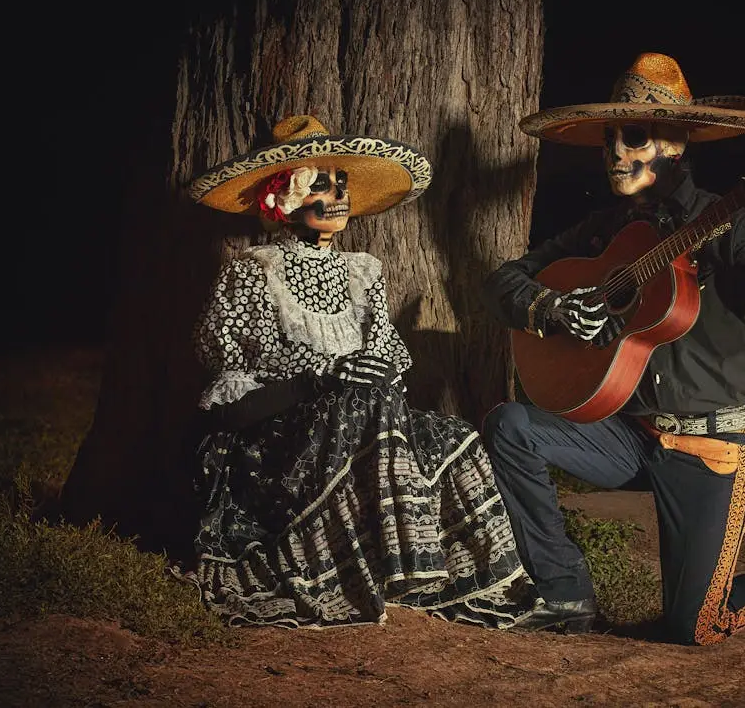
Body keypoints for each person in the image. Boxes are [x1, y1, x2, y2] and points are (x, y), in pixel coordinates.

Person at [480, 52, 745, 645]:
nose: (616, 152)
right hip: (631, 435)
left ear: (673, 143)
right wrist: (554, 309)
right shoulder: (603, 231)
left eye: (635, 136)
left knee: (696, 626)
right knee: (511, 425)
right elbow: (503, 281)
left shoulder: (727, 221)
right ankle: (564, 590)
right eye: (610, 139)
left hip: (713, 442)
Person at [176, 114, 542, 629]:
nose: (338, 195)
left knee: (453, 435)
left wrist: (374, 374)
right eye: (321, 184)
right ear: (285, 198)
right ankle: (352, 572)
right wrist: (322, 379)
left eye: (342, 182)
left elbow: (384, 357)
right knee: (360, 403)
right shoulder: (253, 271)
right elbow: (233, 398)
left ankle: (422, 574)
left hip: (364, 421)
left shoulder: (363, 272)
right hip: (283, 437)